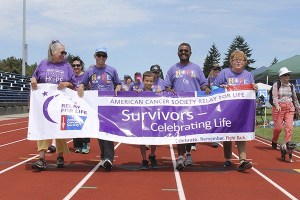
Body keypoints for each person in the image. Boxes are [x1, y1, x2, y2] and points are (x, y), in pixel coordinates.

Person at [31, 40, 76, 170]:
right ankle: (41, 158)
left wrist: (66, 84)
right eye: (62, 52)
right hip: (44, 103)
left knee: (59, 129)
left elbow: (74, 83)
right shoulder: (43, 63)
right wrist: (33, 80)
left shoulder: (67, 66)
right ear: (53, 52)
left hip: (61, 103)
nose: (64, 54)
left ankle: (60, 155)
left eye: (65, 52)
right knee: (43, 129)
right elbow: (34, 77)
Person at [164, 42, 210, 171]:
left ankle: (188, 153)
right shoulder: (172, 69)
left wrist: (206, 88)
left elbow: (203, 84)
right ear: (178, 53)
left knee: (190, 132)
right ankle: (180, 157)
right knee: (180, 132)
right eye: (181, 51)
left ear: (190, 53)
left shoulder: (196, 68)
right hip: (178, 106)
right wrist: (169, 90)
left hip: (193, 106)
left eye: (186, 51)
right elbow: (167, 85)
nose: (183, 53)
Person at [77, 45, 121, 170]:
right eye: (99, 55)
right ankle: (104, 156)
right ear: (95, 56)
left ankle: (108, 158)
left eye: (104, 55)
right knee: (99, 133)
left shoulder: (112, 70)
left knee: (108, 132)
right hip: (95, 106)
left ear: (106, 57)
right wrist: (81, 87)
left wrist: (118, 88)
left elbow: (118, 83)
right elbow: (83, 83)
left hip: (108, 106)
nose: (101, 58)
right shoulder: (90, 71)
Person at [214, 49, 257, 172]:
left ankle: (243, 160)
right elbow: (214, 87)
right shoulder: (225, 73)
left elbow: (252, 90)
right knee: (228, 135)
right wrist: (221, 88)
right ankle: (228, 159)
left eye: (241, 60)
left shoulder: (248, 75)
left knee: (241, 134)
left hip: (242, 111)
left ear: (244, 62)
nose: (238, 62)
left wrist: (255, 88)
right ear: (231, 61)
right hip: (227, 109)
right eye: (235, 60)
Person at [271, 67, 300, 149]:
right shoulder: (276, 85)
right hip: (279, 108)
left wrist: (298, 109)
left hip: (290, 108)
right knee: (278, 128)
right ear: (281, 76)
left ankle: (287, 146)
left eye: (288, 74)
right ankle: (274, 140)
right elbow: (275, 96)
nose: (287, 76)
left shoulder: (291, 86)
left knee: (289, 128)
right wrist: (277, 105)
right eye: (285, 75)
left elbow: (295, 98)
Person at [136, 71, 158, 169]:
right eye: (147, 81)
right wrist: (136, 94)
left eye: (151, 81)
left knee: (154, 139)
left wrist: (159, 93)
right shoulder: (139, 91)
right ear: (143, 81)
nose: (148, 83)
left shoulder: (156, 91)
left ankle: (152, 155)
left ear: (153, 82)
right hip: (142, 118)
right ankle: (144, 160)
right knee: (142, 140)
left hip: (154, 118)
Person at [71, 56, 91, 154]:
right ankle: (77, 144)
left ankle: (85, 144)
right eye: (74, 66)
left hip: (84, 103)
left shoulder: (85, 75)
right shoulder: (71, 76)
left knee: (85, 124)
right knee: (74, 123)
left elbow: (91, 87)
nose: (76, 67)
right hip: (73, 104)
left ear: (81, 66)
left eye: (78, 65)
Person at [208, 63, 222, 148]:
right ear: (212, 71)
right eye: (215, 70)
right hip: (212, 103)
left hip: (221, 102)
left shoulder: (223, 79)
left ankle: (217, 138)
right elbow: (204, 87)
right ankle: (214, 138)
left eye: (218, 70)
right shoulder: (209, 79)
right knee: (213, 120)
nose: (217, 71)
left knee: (219, 120)